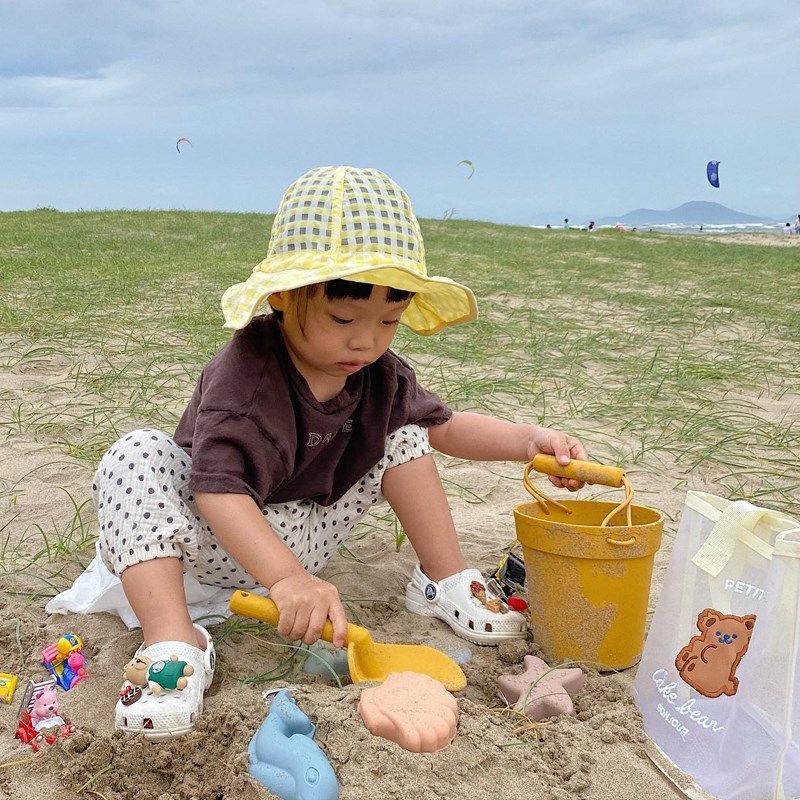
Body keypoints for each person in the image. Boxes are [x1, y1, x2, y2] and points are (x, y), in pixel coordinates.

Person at [53, 166, 587, 741]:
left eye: (389, 320)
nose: (366, 340)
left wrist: (526, 442)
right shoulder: (248, 374)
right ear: (284, 296)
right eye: (343, 318)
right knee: (135, 453)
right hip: (214, 536)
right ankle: (172, 641)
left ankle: (442, 579)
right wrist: (285, 579)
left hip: (306, 531)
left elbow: (446, 427)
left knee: (402, 428)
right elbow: (217, 490)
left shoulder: (378, 374)